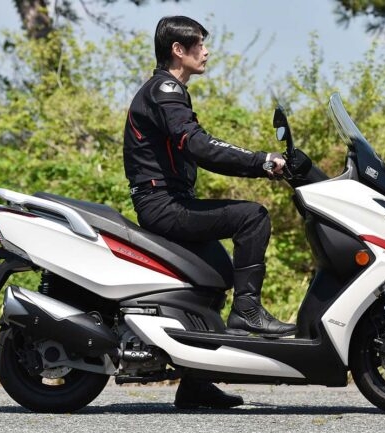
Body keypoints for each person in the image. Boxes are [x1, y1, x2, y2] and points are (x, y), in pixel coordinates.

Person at [123, 15, 296, 409]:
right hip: (164, 204)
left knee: (217, 276)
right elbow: (198, 144)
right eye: (199, 44)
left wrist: (259, 162)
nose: (206, 51)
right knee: (252, 216)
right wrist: (261, 161)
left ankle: (196, 384)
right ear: (178, 50)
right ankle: (247, 312)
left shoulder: (166, 91)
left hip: (168, 201)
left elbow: (196, 145)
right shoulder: (165, 89)